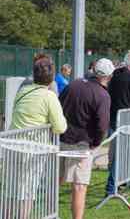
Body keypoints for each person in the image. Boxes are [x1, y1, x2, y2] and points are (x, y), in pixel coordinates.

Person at [9, 54, 67, 219]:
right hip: (33, 151)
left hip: (13, 147)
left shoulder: (23, 91)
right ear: (51, 77)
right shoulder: (49, 96)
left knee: (10, 192)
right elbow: (60, 127)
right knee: (27, 193)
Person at [59, 58, 115, 219]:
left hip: (62, 139)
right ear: (109, 76)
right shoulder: (103, 95)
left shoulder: (73, 85)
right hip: (82, 144)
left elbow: (59, 107)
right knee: (79, 186)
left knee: (56, 180)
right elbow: (103, 125)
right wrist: (96, 143)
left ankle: (48, 212)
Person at [105, 51, 130, 196]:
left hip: (113, 117)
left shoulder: (114, 75)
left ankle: (118, 184)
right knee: (121, 155)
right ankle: (111, 188)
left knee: (115, 154)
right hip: (126, 120)